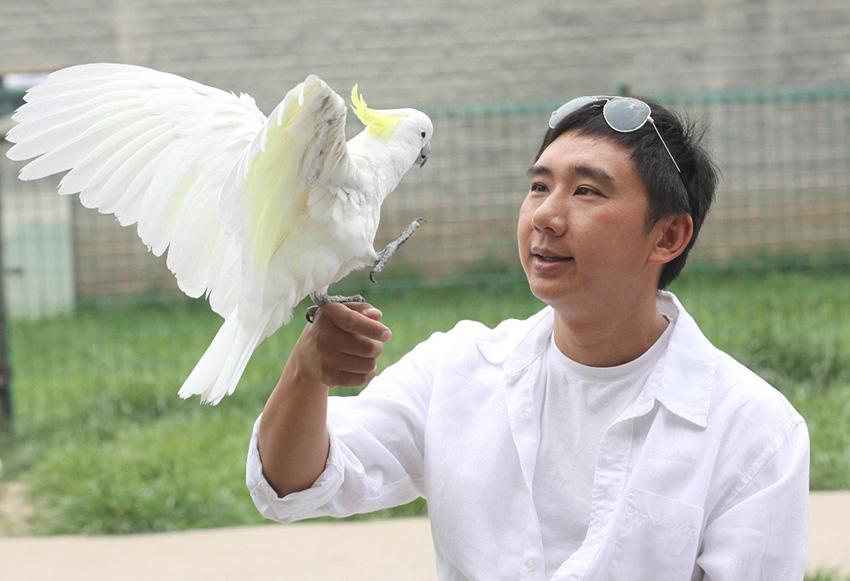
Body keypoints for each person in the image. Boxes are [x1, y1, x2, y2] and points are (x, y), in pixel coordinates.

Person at [246, 95, 809, 580]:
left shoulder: (753, 433)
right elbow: (292, 483)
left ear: (667, 236)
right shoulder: (457, 370)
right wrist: (307, 372)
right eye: (539, 186)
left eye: (586, 192)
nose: (546, 216)